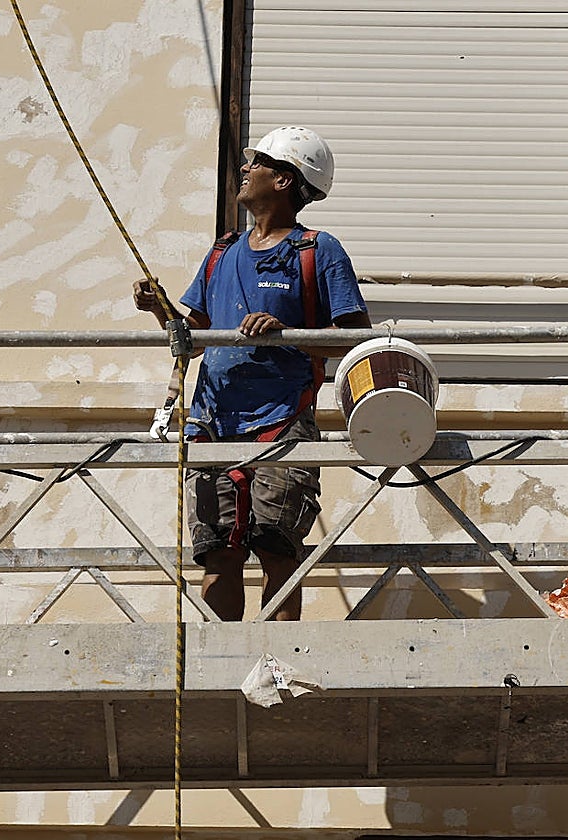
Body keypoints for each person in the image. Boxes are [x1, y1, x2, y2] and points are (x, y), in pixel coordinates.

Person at [134, 125, 370, 621]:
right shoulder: (223, 251)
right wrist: (160, 309)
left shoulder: (317, 250)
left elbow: (355, 337)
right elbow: (194, 336)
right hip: (213, 422)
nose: (245, 168)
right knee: (218, 551)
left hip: (281, 420)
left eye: (257, 162)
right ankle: (220, 661)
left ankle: (275, 658)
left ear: (284, 180)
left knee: (275, 547)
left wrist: (286, 333)